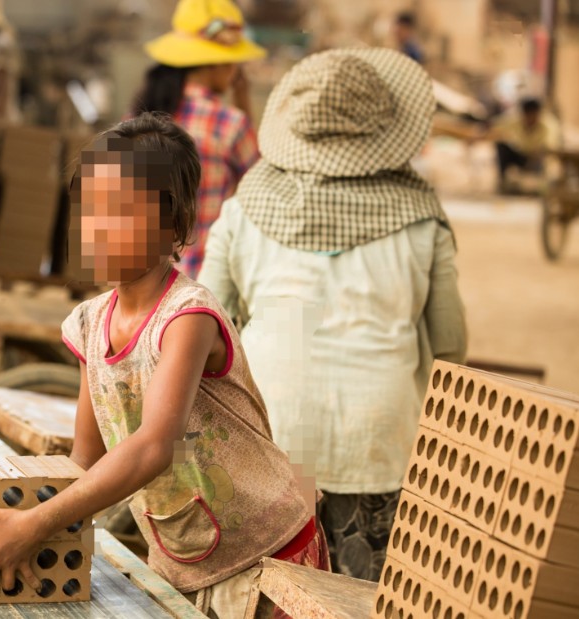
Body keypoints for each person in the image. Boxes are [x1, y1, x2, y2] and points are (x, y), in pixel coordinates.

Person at [0, 113, 328, 619]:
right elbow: (84, 461)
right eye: (88, 211)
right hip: (181, 560)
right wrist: (24, 520)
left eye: (121, 212)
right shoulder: (89, 323)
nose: (98, 229)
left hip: (266, 556)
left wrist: (37, 524)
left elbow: (153, 447)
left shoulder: (186, 318)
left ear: (174, 224)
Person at [197, 48, 468, 582]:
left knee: (270, 596)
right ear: (385, 128)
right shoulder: (421, 216)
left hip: (268, 440)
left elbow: (206, 324)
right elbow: (451, 345)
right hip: (378, 441)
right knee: (363, 595)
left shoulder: (247, 205)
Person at [132, 0, 264, 278]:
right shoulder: (230, 123)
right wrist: (244, 104)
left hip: (138, 279)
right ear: (218, 62)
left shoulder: (137, 117)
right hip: (198, 281)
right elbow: (262, 190)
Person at [488, 98, 558, 194]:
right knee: (502, 145)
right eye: (528, 115)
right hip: (522, 154)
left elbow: (549, 147)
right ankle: (503, 181)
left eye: (533, 115)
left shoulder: (548, 125)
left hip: (538, 158)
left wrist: (537, 157)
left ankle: (540, 187)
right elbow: (495, 125)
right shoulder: (515, 120)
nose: (530, 118)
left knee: (543, 167)